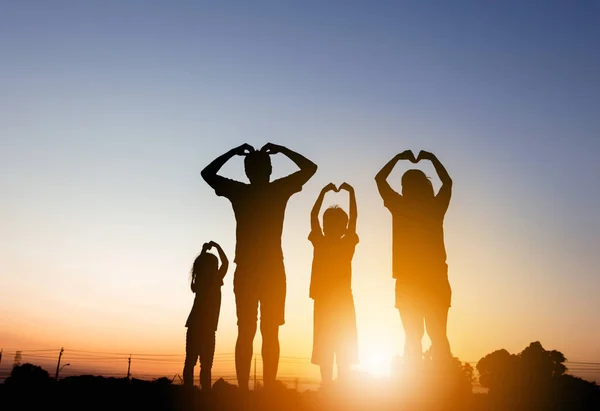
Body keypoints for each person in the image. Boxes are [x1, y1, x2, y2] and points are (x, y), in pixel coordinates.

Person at [201, 143, 317, 390]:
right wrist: (282, 149)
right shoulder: (278, 189)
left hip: (250, 271)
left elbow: (207, 173)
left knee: (247, 331)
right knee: (269, 332)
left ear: (247, 172)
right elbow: (310, 168)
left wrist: (233, 152)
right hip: (272, 269)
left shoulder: (239, 191)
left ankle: (246, 391)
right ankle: (264, 391)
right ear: (271, 169)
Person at [375, 150, 453, 366]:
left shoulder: (399, 206)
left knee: (413, 338)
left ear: (405, 188)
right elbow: (447, 182)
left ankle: (417, 386)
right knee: (437, 337)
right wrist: (432, 158)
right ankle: (442, 386)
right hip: (434, 278)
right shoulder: (434, 207)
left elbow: (379, 179)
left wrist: (399, 157)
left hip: (410, 280)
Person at [308, 182, 359, 386]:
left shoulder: (324, 241)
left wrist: (323, 192)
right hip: (337, 302)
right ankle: (333, 390)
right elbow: (353, 219)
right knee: (331, 350)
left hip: (332, 302)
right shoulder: (344, 242)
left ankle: (330, 389)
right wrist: (350, 192)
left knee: (330, 350)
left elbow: (313, 215)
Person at [183, 241, 229, 390]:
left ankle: (188, 391)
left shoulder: (199, 282)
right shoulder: (214, 281)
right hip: (207, 329)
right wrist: (216, 246)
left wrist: (203, 251)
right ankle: (205, 395)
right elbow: (226, 262)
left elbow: (197, 268)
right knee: (206, 365)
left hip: (194, 326)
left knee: (190, 362)